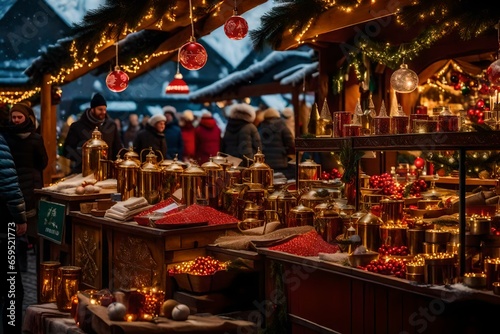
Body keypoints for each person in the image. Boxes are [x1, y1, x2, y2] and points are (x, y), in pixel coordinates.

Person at [3, 103, 48, 272]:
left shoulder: (7, 137)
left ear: (25, 118)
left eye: (18, 117)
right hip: (26, 185)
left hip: (22, 186)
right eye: (13, 117)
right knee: (28, 227)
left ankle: (17, 264)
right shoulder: (34, 137)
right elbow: (43, 162)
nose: (15, 120)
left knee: (15, 227)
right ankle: (26, 263)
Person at [0, 132, 28, 334]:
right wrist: (20, 217)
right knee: (11, 286)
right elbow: (8, 183)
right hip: (4, 225)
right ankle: (11, 330)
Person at [62, 93, 123, 174]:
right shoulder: (77, 127)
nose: (103, 112)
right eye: (100, 109)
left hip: (106, 172)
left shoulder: (111, 126)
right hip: (82, 172)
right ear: (92, 109)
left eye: (105, 109)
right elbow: (67, 151)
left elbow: (117, 149)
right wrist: (85, 156)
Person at [258, 107, 295, 179]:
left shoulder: (261, 127)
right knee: (280, 181)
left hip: (266, 163)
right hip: (281, 162)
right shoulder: (282, 125)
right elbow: (290, 143)